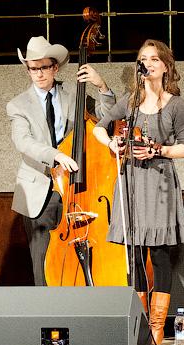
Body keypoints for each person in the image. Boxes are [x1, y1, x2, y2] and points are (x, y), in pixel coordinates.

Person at [92, 39, 184, 345]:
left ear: (165, 66)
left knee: (160, 256)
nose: (147, 64)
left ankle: (158, 331)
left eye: (153, 59)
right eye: (143, 59)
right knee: (133, 256)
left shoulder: (175, 103)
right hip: (132, 182)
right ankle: (139, 327)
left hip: (160, 183)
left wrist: (159, 149)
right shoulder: (130, 101)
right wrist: (112, 144)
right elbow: (100, 127)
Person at [7, 35, 116, 286]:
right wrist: (56, 155)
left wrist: (102, 87)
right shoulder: (18, 105)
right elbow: (23, 142)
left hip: (73, 188)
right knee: (42, 261)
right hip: (39, 189)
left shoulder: (73, 96)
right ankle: (46, 318)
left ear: (55, 67)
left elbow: (105, 117)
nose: (39, 74)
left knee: (76, 259)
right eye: (33, 68)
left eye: (44, 67)